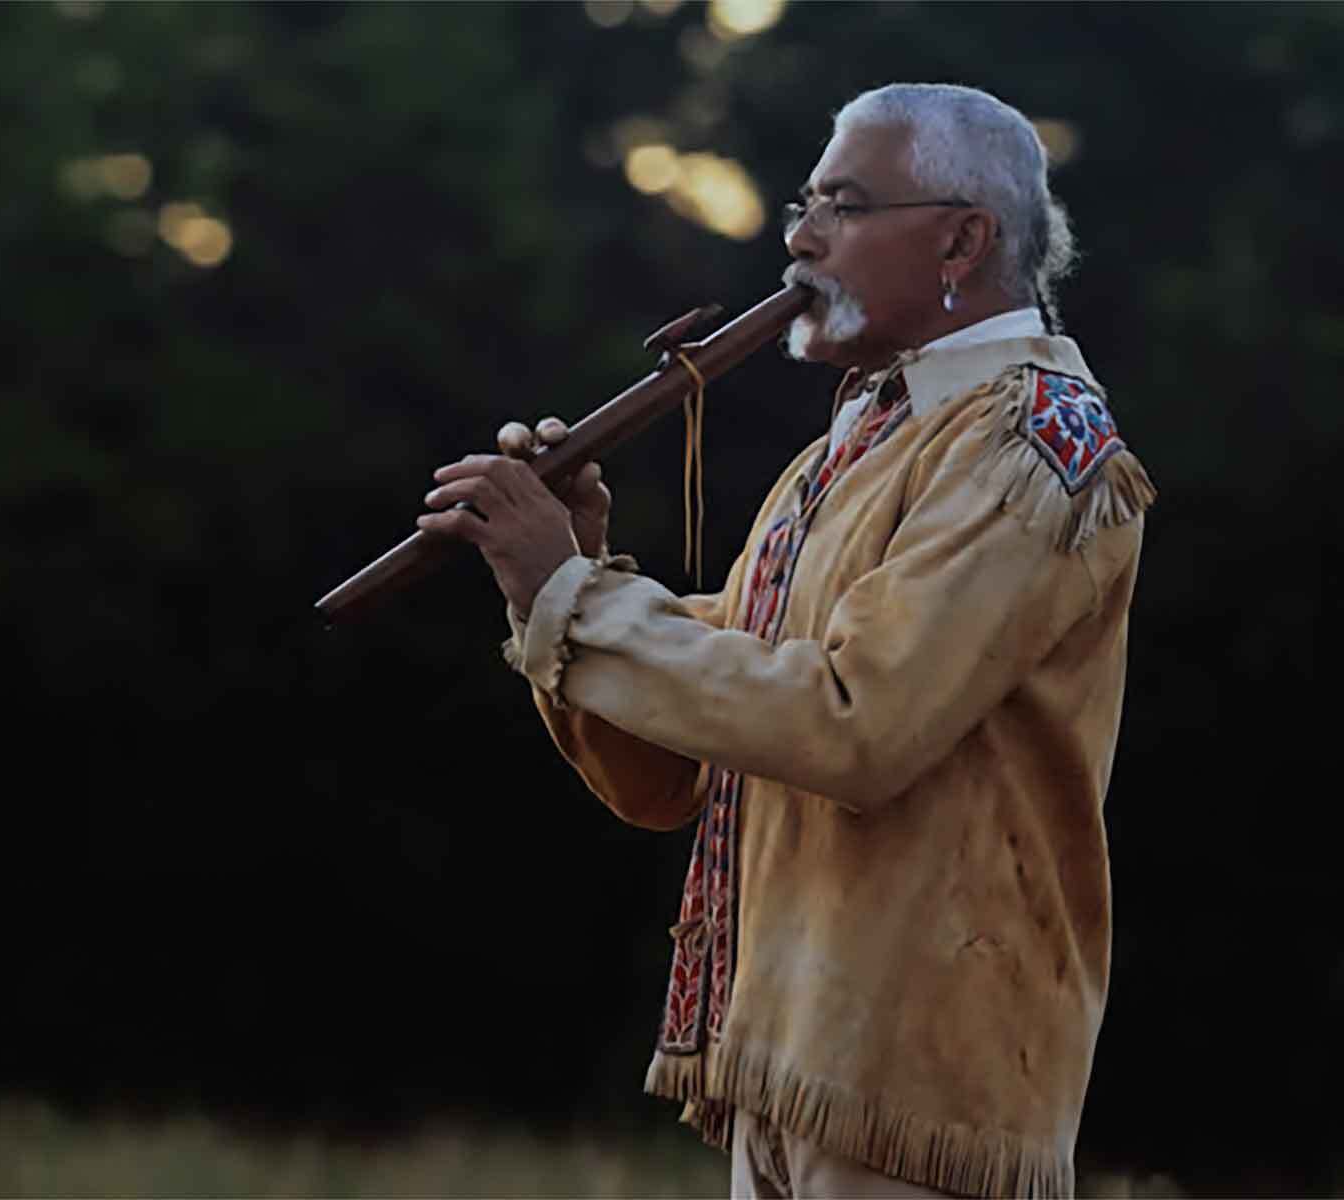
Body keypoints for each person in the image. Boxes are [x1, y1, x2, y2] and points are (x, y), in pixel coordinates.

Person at [417, 83, 1154, 1200]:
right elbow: (681, 768)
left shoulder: (1036, 442)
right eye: (805, 204)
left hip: (925, 1077)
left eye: (845, 207)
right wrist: (561, 578)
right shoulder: (851, 448)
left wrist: (576, 594)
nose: (801, 240)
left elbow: (855, 722)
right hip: (796, 1058)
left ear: (963, 238)